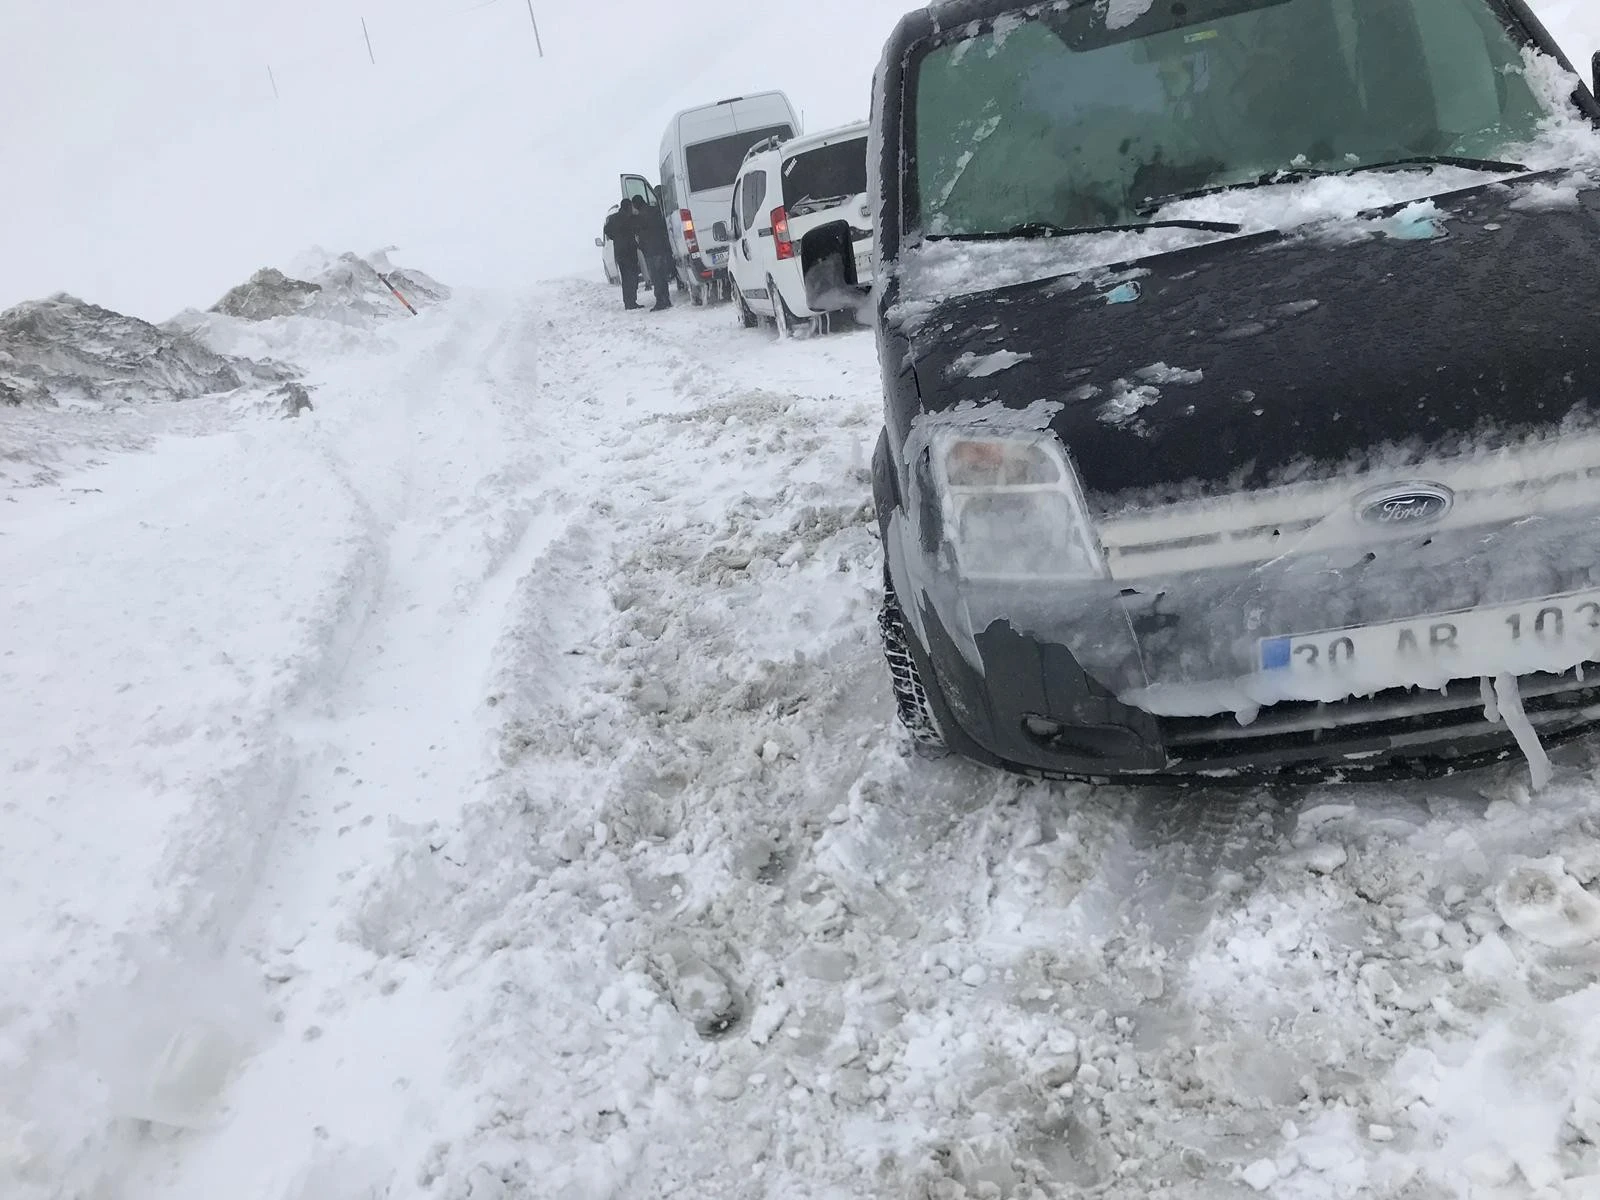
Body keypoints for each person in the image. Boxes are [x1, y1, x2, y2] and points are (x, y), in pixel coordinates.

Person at [630, 197, 675, 311]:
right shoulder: (655, 211)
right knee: (662, 276)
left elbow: (640, 234)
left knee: (656, 277)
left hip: (651, 251)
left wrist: (641, 246)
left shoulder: (640, 217)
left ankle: (660, 301)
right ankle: (667, 299)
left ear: (636, 204)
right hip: (661, 248)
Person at [603, 204, 643, 310]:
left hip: (620, 252)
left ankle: (628, 302)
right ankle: (632, 301)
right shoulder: (628, 217)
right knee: (633, 277)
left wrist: (614, 237)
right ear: (628, 207)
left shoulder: (613, 218)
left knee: (625, 278)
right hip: (630, 251)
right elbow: (637, 228)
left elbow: (606, 230)